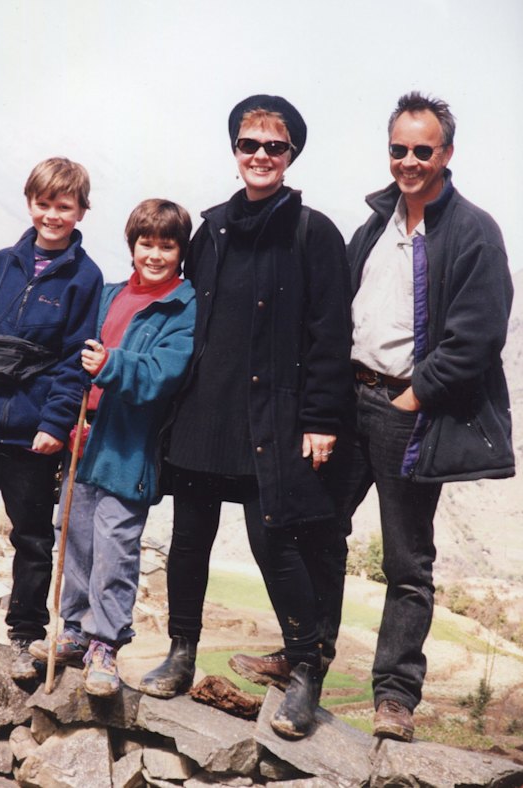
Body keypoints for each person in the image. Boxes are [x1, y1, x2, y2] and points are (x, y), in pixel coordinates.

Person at [231, 91, 515, 743]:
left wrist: (416, 395)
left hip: (409, 412)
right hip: (347, 400)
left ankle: (395, 696)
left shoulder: (472, 232)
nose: (408, 161)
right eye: (398, 149)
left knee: (407, 561)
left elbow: (478, 334)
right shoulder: (376, 223)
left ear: (447, 153)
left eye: (422, 149)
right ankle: (304, 660)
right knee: (315, 531)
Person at [138, 95, 353, 740]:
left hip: (276, 419)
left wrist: (321, 419)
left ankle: (305, 674)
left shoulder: (315, 234)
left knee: (274, 542)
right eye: (248, 144)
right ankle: (180, 654)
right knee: (190, 536)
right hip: (207, 408)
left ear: (291, 156)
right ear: (234, 152)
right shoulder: (211, 230)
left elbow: (329, 334)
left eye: (274, 147)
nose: (260, 156)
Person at [0, 157, 103, 679]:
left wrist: (55, 425)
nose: (52, 215)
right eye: (43, 203)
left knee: (32, 538)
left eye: (64, 206)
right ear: (30, 203)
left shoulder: (85, 277)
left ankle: (26, 634)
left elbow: (75, 361)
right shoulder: (0, 264)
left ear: (81, 210)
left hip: (32, 437)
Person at [29, 199, 196, 696]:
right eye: (147, 243)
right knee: (74, 533)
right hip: (84, 437)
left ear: (181, 251)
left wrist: (111, 364)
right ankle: (77, 633)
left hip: (129, 446)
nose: (156, 254)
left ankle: (105, 643)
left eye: (168, 245)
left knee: (115, 545)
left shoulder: (183, 307)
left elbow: (164, 374)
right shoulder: (107, 295)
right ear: (133, 245)